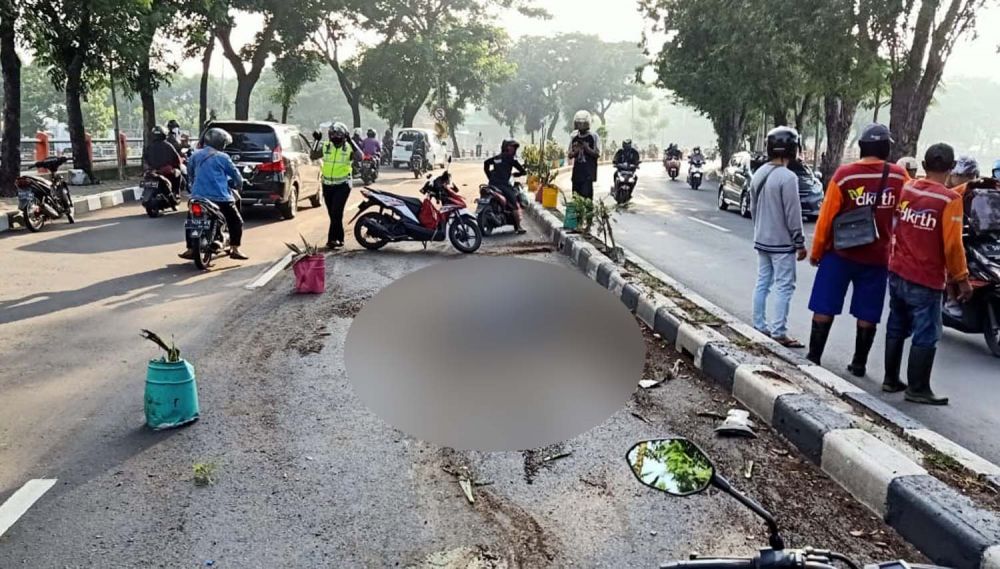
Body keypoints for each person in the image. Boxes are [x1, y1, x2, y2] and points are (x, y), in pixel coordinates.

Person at [806, 123, 909, 377]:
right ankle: (859, 363)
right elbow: (905, 210)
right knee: (869, 310)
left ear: (862, 146)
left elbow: (826, 218)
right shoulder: (899, 176)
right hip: (877, 255)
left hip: (840, 253)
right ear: (886, 148)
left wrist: (817, 251)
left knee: (825, 304)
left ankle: (814, 357)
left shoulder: (845, 175)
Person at [883, 143, 972, 404]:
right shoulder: (950, 201)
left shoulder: (907, 188)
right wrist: (962, 279)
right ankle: (918, 388)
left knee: (897, 325)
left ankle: (890, 380)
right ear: (951, 167)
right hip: (926, 278)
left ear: (923, 165)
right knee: (927, 332)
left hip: (898, 271)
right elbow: (953, 245)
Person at [750, 127, 808, 347]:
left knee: (763, 282)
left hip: (762, 238)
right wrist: (799, 242)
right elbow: (793, 214)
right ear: (793, 149)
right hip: (782, 243)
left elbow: (754, 208)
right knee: (785, 286)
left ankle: (758, 325)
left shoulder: (759, 173)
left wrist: (760, 229)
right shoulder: (788, 177)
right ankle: (779, 332)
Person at [178, 127, 247, 260]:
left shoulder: (195, 155)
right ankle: (235, 248)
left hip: (198, 197)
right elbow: (236, 175)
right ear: (221, 143)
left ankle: (190, 249)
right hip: (221, 198)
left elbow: (190, 174)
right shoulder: (223, 157)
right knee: (236, 221)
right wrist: (240, 184)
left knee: (191, 221)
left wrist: (193, 188)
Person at [311, 122, 362, 249]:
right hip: (327, 184)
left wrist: (351, 141)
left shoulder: (348, 147)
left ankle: (333, 240)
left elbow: (360, 157)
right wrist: (316, 141)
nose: (335, 139)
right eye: (333, 136)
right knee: (333, 214)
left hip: (343, 184)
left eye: (338, 136)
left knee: (336, 212)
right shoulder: (327, 146)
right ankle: (339, 238)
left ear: (344, 136)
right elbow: (313, 155)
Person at [484, 138, 528, 234]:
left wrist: (489, 176)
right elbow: (523, 171)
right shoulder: (510, 158)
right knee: (515, 204)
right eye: (512, 147)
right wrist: (517, 174)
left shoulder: (497, 158)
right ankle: (519, 227)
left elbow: (486, 163)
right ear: (507, 147)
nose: (514, 150)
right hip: (503, 185)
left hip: (492, 184)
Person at [142, 125, 183, 197]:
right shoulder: (168, 145)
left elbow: (145, 159)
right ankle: (176, 193)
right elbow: (176, 158)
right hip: (165, 171)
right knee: (178, 173)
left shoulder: (149, 147)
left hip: (152, 170)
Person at [569, 110, 600, 199]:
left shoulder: (593, 136)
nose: (581, 125)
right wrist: (576, 151)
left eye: (583, 123)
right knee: (576, 198)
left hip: (588, 174)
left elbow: (597, 154)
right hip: (577, 174)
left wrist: (587, 148)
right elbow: (570, 154)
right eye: (579, 123)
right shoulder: (574, 137)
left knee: (586, 198)